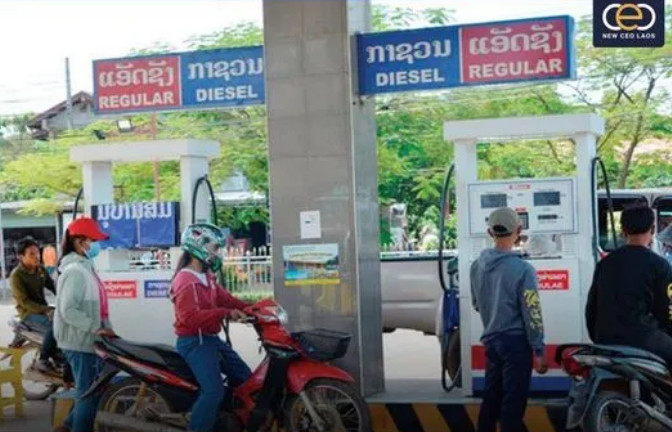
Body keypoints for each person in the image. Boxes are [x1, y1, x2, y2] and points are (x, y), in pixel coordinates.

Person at [471, 207, 548, 432]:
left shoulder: (476, 266)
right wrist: (538, 349)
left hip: (492, 341)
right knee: (513, 406)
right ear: (519, 230)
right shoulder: (523, 269)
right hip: (516, 344)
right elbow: (532, 312)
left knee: (491, 400)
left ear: (490, 232)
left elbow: (477, 304)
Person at [171, 223, 252, 432]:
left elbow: (226, 299)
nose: (218, 253)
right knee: (213, 391)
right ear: (199, 247)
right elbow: (190, 318)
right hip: (194, 342)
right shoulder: (186, 281)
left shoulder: (206, 277)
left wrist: (255, 308)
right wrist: (225, 313)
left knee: (245, 378)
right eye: (215, 248)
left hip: (210, 339)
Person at [586, 205, 672, 364]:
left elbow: (592, 308)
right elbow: (666, 311)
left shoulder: (605, 263)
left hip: (606, 339)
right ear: (653, 229)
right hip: (644, 338)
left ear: (623, 230)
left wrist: (598, 338)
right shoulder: (659, 265)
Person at [53, 217, 114, 432]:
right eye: (93, 240)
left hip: (88, 340)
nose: (96, 245)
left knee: (91, 393)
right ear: (80, 242)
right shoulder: (75, 271)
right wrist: (95, 327)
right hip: (80, 342)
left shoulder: (84, 267)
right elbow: (68, 310)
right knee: (88, 396)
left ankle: (66, 427)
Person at [9, 236, 58, 373]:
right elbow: (24, 302)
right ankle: (43, 360)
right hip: (28, 313)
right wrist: (46, 310)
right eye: (31, 254)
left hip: (42, 310)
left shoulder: (40, 269)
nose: (37, 257)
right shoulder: (16, 276)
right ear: (21, 256)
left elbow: (53, 286)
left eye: (37, 253)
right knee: (55, 327)